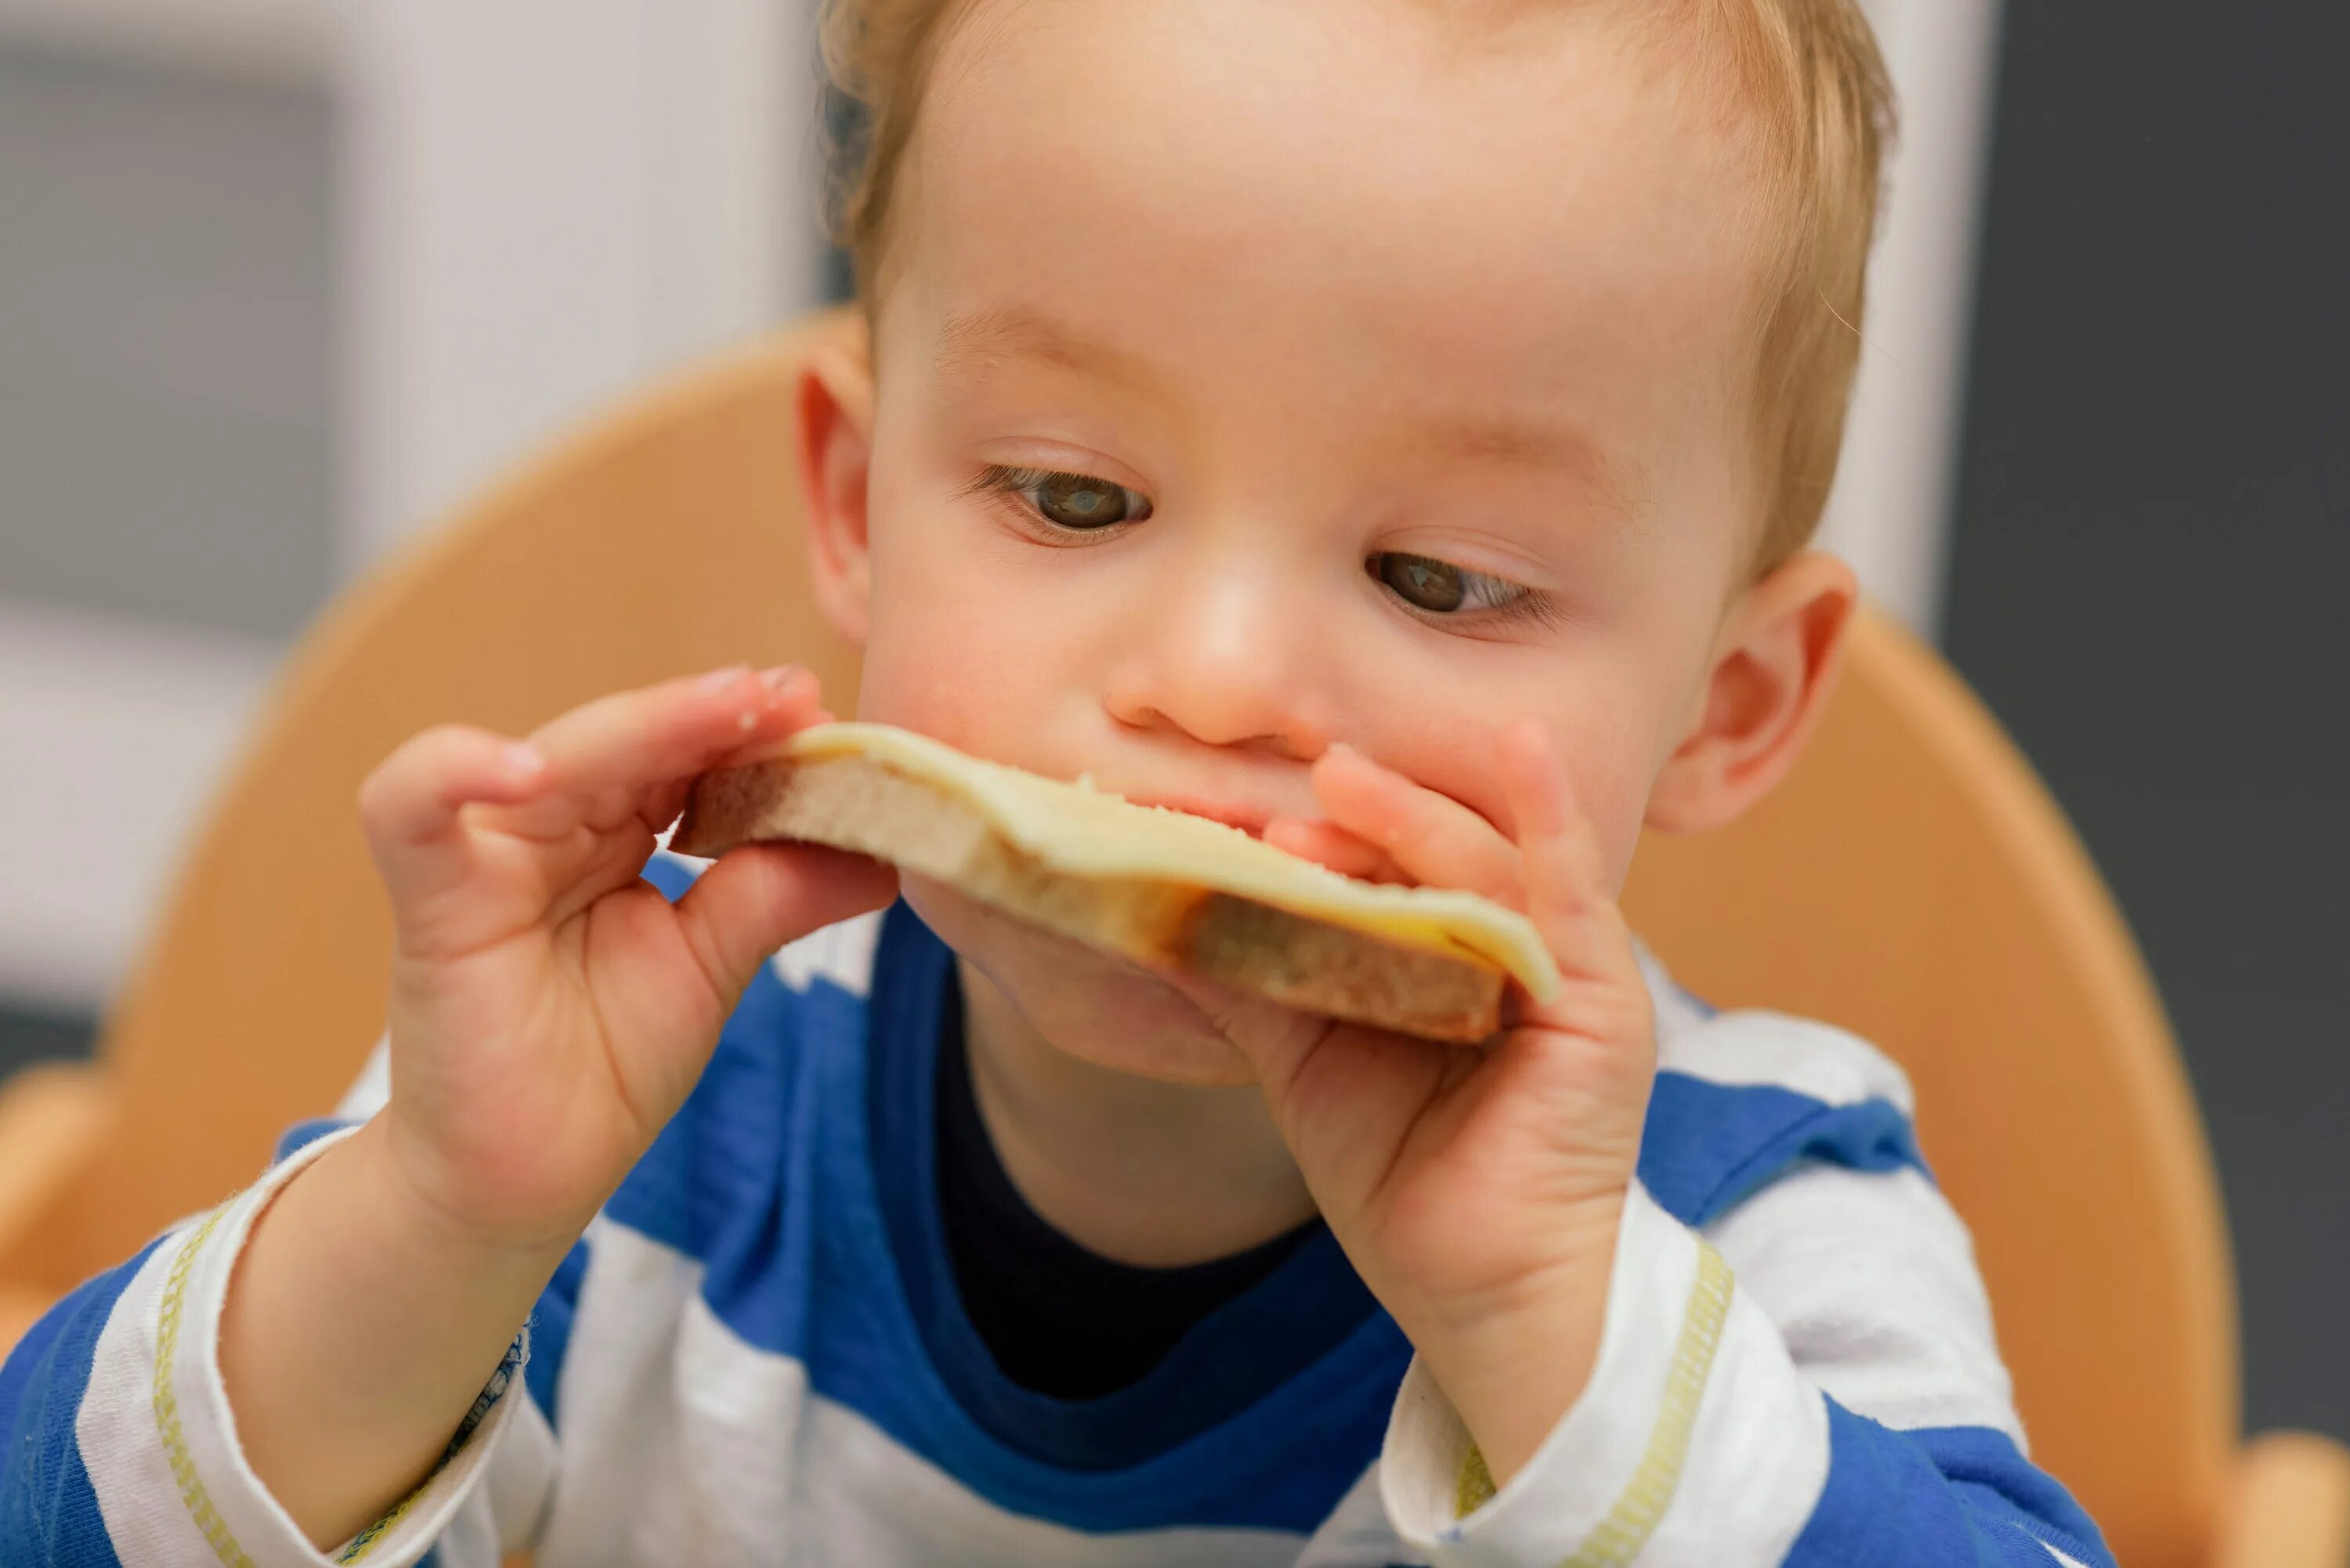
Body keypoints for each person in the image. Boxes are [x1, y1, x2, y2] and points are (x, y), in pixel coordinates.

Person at [0, 1, 2114, 1563]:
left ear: (1731, 701)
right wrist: (435, 1220)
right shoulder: (635, 1130)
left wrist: (1554, 1326)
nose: (1206, 683)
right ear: (858, 502)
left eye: (1438, 577)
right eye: (1078, 496)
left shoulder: (1745, 1217)